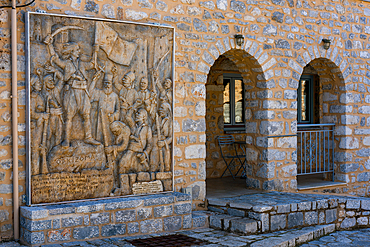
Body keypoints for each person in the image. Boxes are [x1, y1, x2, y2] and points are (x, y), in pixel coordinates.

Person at [44, 35, 99, 147]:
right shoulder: (66, 64)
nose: (79, 51)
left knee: (87, 116)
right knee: (68, 117)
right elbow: (54, 58)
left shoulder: (82, 64)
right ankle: (66, 140)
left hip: (83, 92)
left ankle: (88, 137)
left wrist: (95, 51)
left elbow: (92, 64)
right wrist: (49, 44)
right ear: (72, 51)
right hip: (71, 92)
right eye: (77, 49)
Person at [118, 109, 152, 176]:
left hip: (139, 154)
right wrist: (134, 106)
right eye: (136, 113)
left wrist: (145, 154)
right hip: (130, 151)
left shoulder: (147, 128)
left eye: (138, 113)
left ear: (144, 117)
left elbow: (150, 144)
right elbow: (128, 117)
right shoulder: (133, 127)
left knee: (140, 173)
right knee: (122, 164)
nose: (136, 114)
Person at [89, 71, 120, 145]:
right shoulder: (100, 93)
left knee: (110, 141)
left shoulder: (115, 96)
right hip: (100, 121)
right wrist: (94, 80)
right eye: (105, 82)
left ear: (111, 84)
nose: (107, 85)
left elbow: (118, 110)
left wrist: (114, 116)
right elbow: (90, 93)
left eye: (108, 83)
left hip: (110, 121)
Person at [30, 72, 49, 175]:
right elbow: (31, 113)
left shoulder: (40, 95)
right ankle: (35, 171)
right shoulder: (33, 97)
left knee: (42, 148)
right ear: (32, 84)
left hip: (41, 126)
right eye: (37, 83)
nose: (40, 84)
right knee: (36, 150)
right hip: (36, 127)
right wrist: (42, 115)